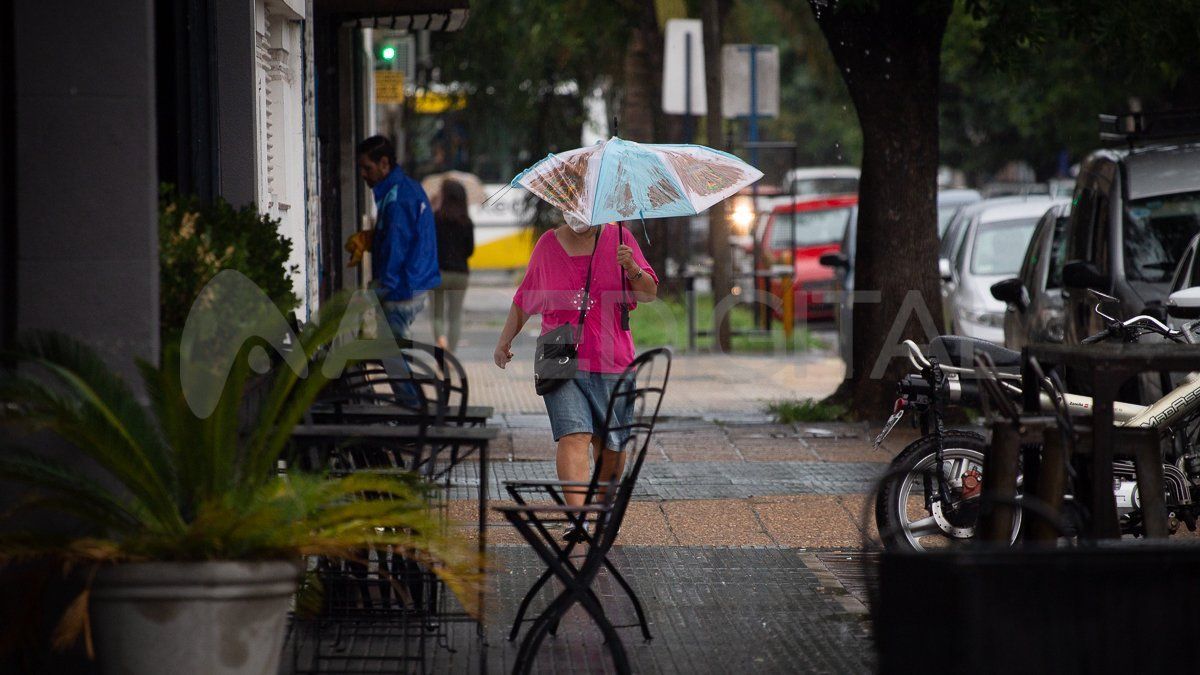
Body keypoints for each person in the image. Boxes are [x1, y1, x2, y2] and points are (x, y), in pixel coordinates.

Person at [493, 217, 658, 540]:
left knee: (611, 445)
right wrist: (504, 341)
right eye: (568, 203)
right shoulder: (548, 244)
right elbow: (525, 297)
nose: (575, 212)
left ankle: (602, 510)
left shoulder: (620, 238)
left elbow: (649, 292)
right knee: (574, 435)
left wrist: (632, 268)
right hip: (559, 353)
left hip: (612, 357)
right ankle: (578, 518)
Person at [356, 135, 440, 340]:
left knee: (393, 351)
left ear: (384, 164)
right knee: (394, 349)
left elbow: (396, 246)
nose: (363, 174)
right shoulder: (405, 188)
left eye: (367, 168)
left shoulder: (398, 198)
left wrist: (383, 290)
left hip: (402, 287)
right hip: (411, 282)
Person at [431, 179, 475, 351]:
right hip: (460, 274)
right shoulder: (466, 222)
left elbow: (429, 246)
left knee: (437, 315)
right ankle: (450, 357)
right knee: (455, 317)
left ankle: (440, 340)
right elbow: (470, 250)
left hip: (439, 273)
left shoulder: (435, 218)